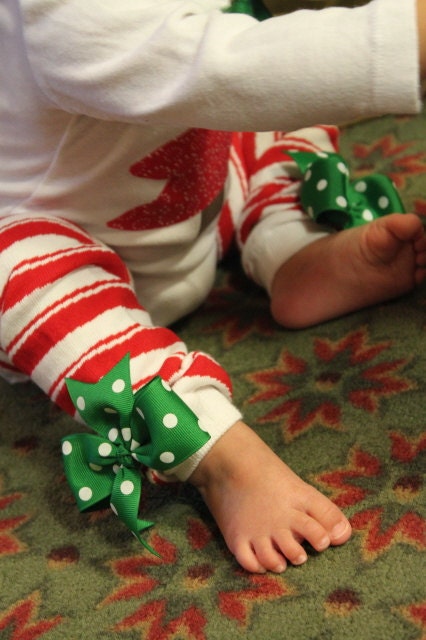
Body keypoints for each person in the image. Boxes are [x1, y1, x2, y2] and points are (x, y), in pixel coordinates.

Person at [1, 0, 426, 575]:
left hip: (192, 206)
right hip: (61, 280)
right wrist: (410, 33)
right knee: (12, 260)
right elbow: (218, 68)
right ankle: (214, 452)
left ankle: (290, 245)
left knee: (285, 96)